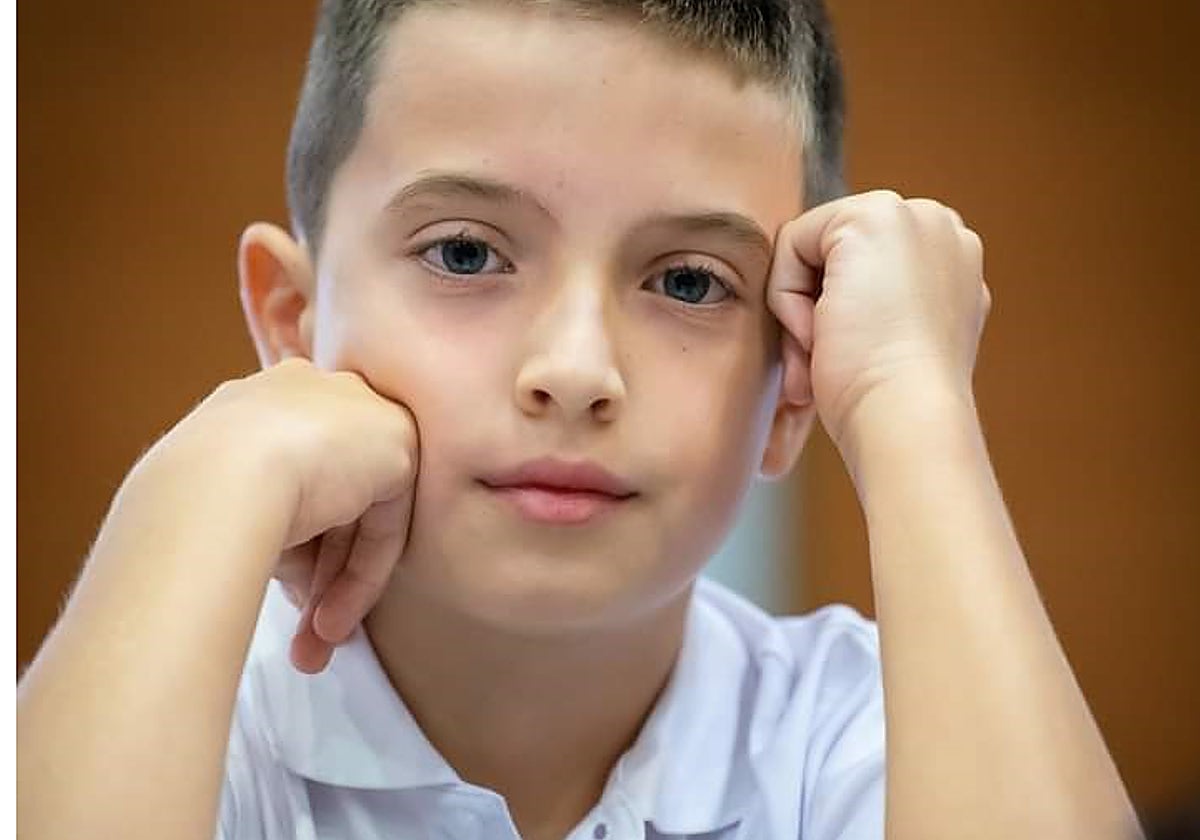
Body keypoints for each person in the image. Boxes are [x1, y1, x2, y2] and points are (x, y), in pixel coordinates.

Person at [16, 1, 1145, 838]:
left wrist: (911, 399)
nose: (575, 369)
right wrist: (209, 475)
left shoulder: (857, 738)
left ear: (791, 387)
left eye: (690, 282)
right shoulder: (186, 716)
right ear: (292, 319)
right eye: (465, 252)